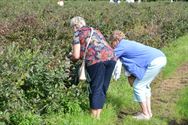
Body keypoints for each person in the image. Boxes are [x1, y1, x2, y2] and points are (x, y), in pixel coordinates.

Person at [110, 30, 167, 120]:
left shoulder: (121, 46)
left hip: (155, 61)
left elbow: (110, 57)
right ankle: (149, 113)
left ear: (115, 40)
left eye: (111, 43)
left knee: (138, 86)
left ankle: (145, 114)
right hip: (160, 57)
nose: (112, 45)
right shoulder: (127, 43)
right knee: (145, 86)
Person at [70, 16, 116, 119]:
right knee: (103, 87)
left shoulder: (77, 33)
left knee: (95, 87)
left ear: (74, 26)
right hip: (111, 57)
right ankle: (98, 114)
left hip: (96, 60)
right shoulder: (95, 30)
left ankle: (93, 117)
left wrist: (70, 59)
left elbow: (76, 56)